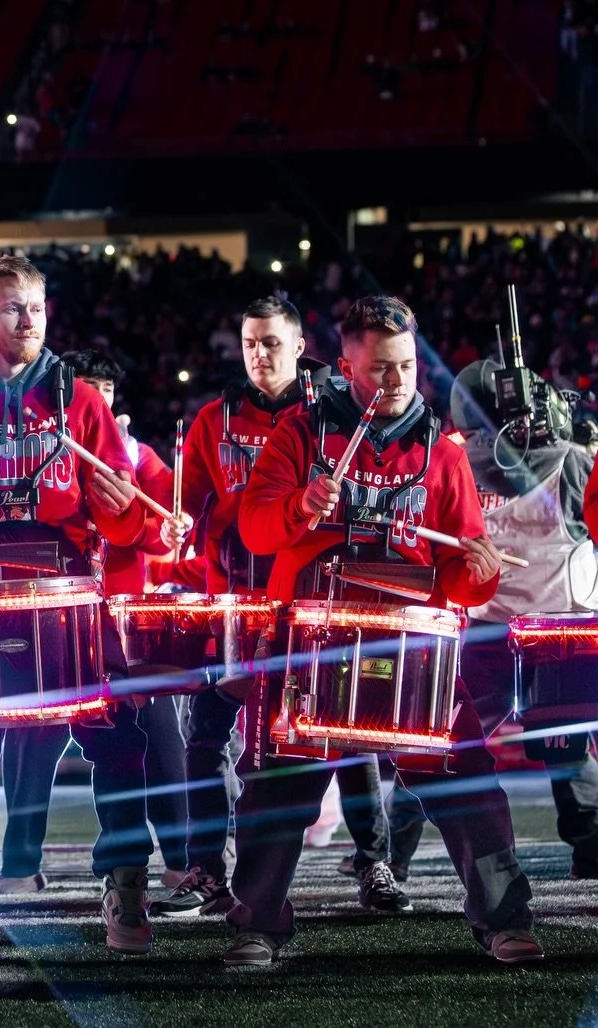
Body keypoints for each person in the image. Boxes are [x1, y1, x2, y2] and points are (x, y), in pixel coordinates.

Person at [226, 294, 542, 966]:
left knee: (464, 772)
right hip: (311, 640)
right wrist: (299, 505)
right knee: (279, 780)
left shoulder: (442, 451)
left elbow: (461, 573)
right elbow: (254, 528)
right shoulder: (302, 434)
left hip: (411, 646)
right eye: (379, 371)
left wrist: (477, 570)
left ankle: (503, 917)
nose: (395, 383)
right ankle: (256, 924)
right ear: (346, 367)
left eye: (404, 367)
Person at [0, 255, 152, 967]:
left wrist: (119, 505)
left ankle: (124, 881)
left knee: (116, 740)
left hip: (66, 590)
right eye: (13, 307)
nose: (30, 319)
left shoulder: (78, 399)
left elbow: (125, 514)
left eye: (37, 306)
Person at [152, 296, 399, 917]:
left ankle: (375, 863)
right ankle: (206, 869)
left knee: (347, 730)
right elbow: (180, 502)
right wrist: (172, 525)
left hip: (313, 598)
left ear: (298, 346)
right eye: (249, 343)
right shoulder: (215, 418)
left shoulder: (331, 414)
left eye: (271, 342)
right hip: (236, 600)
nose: (259, 354)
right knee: (205, 733)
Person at [383, 360, 598, 881]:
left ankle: (392, 857)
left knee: (445, 743)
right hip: (558, 628)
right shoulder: (573, 462)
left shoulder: (449, 460)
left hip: (484, 625)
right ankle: (590, 847)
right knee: (566, 747)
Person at [0, 348, 188, 895]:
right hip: (54, 616)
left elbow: (160, 523)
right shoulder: (34, 453)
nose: (95, 401)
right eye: (85, 390)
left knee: (158, 737)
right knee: (33, 739)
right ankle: (20, 865)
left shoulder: (135, 455)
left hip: (118, 623)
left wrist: (169, 528)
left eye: (104, 390)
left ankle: (178, 860)